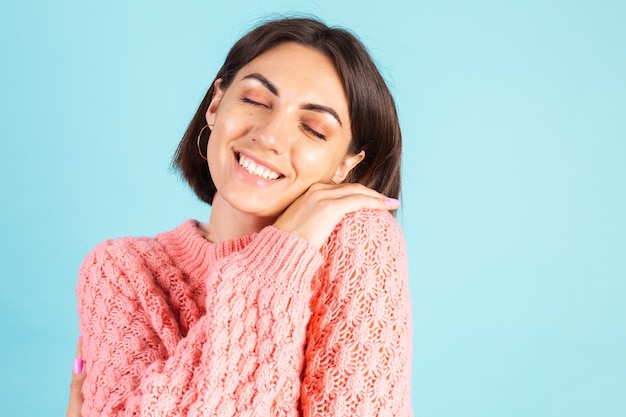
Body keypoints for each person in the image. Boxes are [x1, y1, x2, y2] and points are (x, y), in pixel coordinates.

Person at [67, 16, 412, 417]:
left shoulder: (361, 239)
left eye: (314, 128)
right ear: (216, 104)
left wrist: (281, 259)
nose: (269, 136)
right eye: (256, 101)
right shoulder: (121, 269)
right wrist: (274, 262)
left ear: (345, 165)